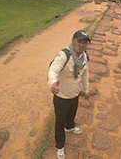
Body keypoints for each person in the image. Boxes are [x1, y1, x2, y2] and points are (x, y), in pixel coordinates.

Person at [47, 30, 91, 159]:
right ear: (73, 40)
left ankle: (70, 126)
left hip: (74, 95)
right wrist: (53, 83)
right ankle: (60, 147)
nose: (81, 45)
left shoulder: (84, 57)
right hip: (61, 97)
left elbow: (85, 74)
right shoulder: (64, 55)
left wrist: (86, 89)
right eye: (79, 41)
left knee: (72, 114)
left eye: (84, 43)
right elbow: (53, 69)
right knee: (59, 123)